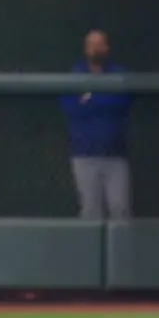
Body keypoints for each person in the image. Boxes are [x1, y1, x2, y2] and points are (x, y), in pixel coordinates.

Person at [60, 29, 133, 219]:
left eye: (100, 44)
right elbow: (71, 108)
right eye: (92, 45)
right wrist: (102, 100)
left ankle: (121, 249)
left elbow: (121, 103)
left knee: (121, 209)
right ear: (86, 49)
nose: (96, 49)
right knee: (90, 212)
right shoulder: (76, 75)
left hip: (115, 155)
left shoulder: (119, 74)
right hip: (84, 155)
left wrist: (91, 98)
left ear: (107, 48)